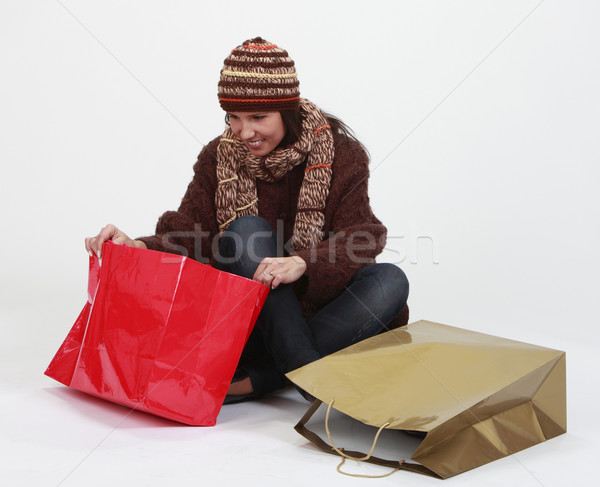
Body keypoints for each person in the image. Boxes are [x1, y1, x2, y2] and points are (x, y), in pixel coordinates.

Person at [85, 37, 409, 402]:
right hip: (246, 322)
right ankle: (309, 376)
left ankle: (259, 379)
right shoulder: (218, 156)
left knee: (390, 281)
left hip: (319, 311)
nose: (244, 132)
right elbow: (191, 231)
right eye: (234, 117)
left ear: (286, 111)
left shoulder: (342, 154)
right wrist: (139, 245)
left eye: (257, 117)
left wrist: (303, 262)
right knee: (246, 231)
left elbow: (361, 235)